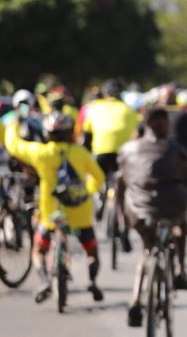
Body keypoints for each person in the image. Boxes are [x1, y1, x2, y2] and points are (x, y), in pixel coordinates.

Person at [5, 112, 106, 304]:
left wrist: (13, 124)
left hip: (51, 214)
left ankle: (43, 281)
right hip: (80, 213)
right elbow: (99, 178)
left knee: (39, 250)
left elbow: (14, 145)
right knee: (91, 251)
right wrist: (87, 192)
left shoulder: (42, 153)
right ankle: (92, 281)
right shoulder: (81, 153)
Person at [120, 109, 187, 327]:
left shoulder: (128, 150)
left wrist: (123, 218)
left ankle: (135, 298)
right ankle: (180, 270)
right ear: (163, 125)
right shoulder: (174, 149)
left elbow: (121, 184)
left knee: (146, 251)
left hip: (138, 211)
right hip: (172, 209)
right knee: (182, 225)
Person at [82, 79, 138, 250]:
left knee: (96, 178)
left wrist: (87, 151)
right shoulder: (129, 110)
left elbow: (87, 134)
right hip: (124, 155)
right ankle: (126, 232)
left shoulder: (94, 107)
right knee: (126, 193)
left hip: (101, 153)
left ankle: (99, 199)